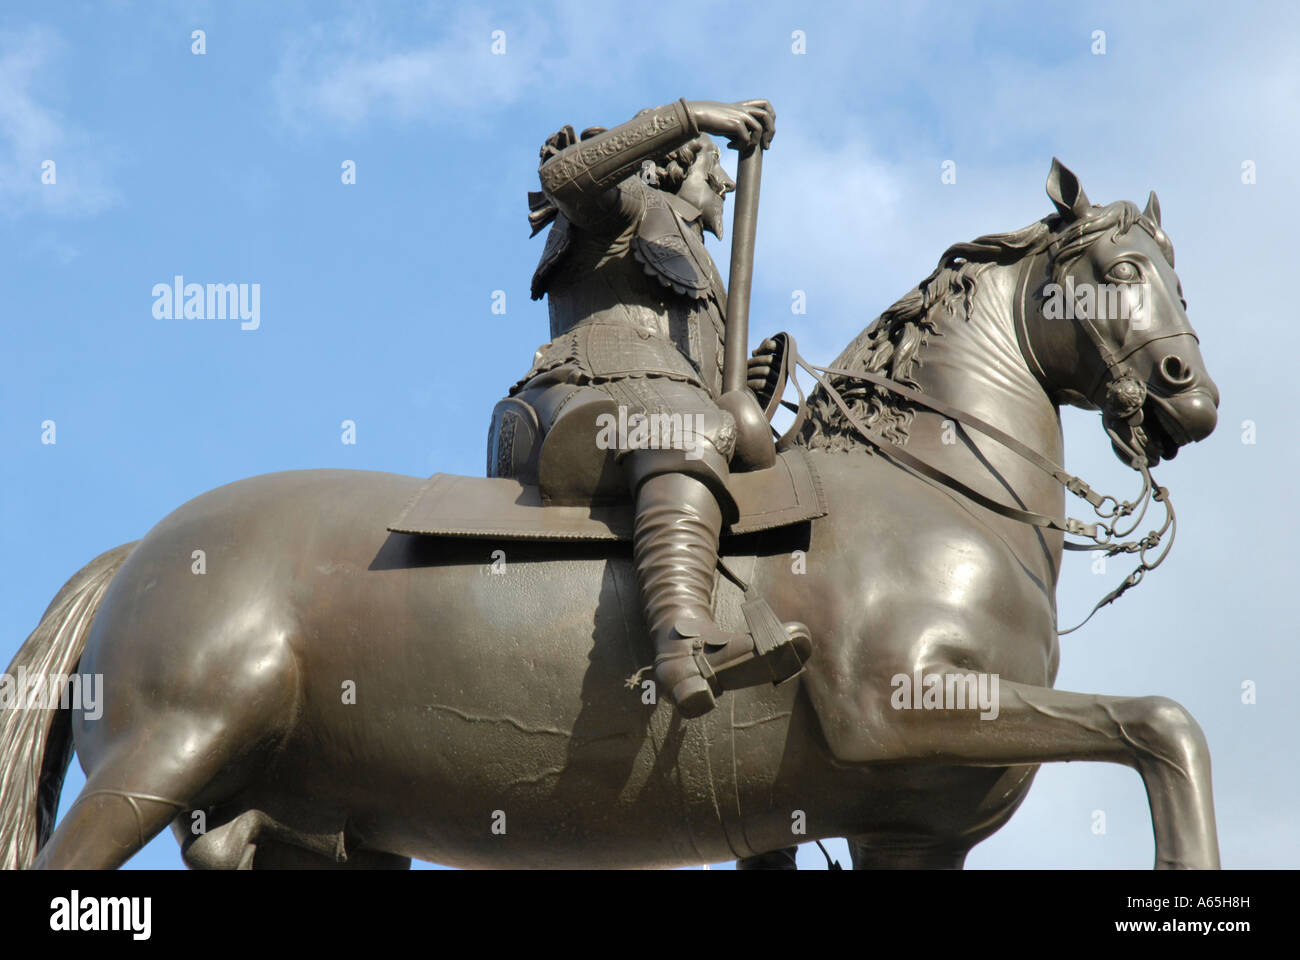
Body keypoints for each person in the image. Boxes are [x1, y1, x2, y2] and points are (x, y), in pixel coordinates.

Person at [494, 97, 811, 718]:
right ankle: (684, 645)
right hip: (589, 390)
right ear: (680, 164)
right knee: (688, 429)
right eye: (715, 167)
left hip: (656, 400)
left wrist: (742, 386)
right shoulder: (630, 204)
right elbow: (563, 178)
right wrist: (693, 116)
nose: (725, 184)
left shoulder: (693, 256)